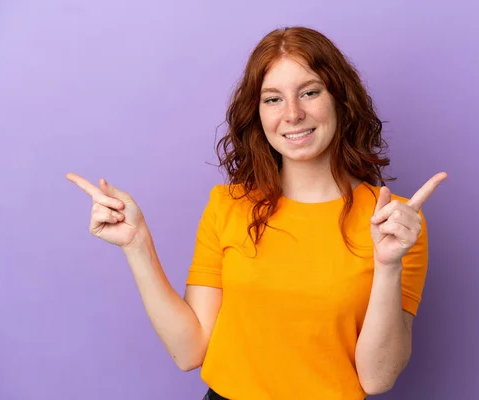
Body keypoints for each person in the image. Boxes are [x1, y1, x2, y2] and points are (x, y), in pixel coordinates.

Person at [66, 26, 447, 400]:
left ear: (340, 101)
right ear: (258, 113)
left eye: (310, 92)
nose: (293, 114)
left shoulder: (394, 224)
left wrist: (389, 264)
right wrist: (137, 245)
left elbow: (377, 379)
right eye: (273, 99)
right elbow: (189, 351)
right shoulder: (227, 206)